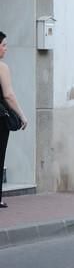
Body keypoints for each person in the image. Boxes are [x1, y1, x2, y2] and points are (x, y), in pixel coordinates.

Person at [0, 31, 30, 209]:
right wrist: (22, 115)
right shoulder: (2, 67)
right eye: (3, 45)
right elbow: (9, 95)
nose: (6, 49)